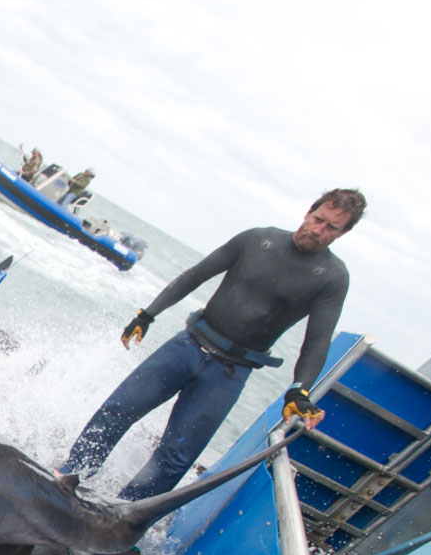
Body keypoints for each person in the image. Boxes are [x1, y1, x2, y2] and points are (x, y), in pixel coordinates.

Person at [58, 188, 367, 501]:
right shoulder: (258, 239)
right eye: (318, 219)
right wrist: (147, 314)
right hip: (187, 346)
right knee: (118, 410)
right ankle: (69, 479)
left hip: (230, 372)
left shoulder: (332, 277)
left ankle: (120, 513)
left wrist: (299, 390)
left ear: (345, 233)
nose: (318, 230)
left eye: (331, 228)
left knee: (176, 456)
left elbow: (317, 340)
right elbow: (195, 275)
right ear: (309, 211)